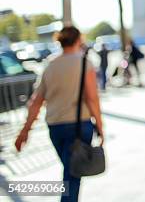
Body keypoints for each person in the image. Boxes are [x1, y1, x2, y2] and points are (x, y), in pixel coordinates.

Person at [15, 26, 104, 202]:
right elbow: (92, 98)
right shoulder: (85, 63)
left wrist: (25, 131)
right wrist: (100, 127)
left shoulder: (50, 64)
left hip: (55, 127)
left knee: (70, 172)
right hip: (79, 126)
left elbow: (36, 101)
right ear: (79, 40)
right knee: (72, 176)